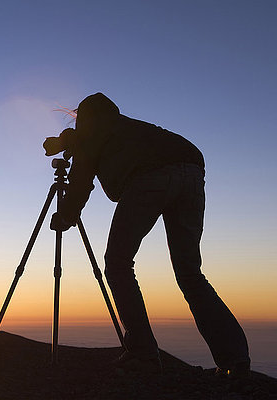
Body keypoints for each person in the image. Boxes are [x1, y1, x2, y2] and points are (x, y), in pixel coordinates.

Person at [44, 93, 250, 377]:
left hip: (149, 178)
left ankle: (143, 353)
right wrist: (69, 141)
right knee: (190, 273)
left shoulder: (91, 134)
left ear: (85, 117)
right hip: (191, 171)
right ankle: (235, 360)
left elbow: (80, 182)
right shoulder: (127, 127)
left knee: (117, 264)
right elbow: (83, 144)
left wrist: (65, 216)